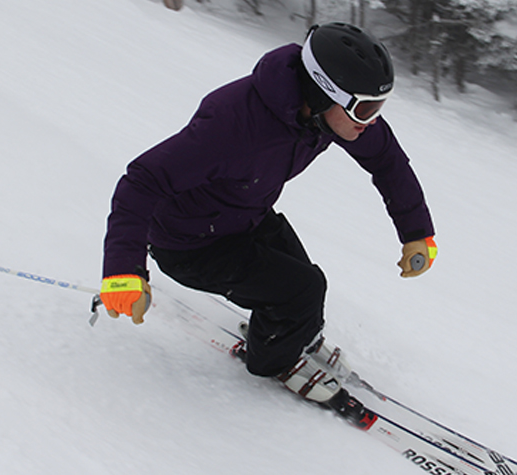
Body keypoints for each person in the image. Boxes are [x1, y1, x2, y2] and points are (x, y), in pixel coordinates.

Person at [99, 22, 436, 407]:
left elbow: (387, 160)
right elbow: (143, 181)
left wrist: (416, 231)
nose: (372, 120)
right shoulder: (233, 124)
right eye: (366, 108)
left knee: (301, 276)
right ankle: (275, 361)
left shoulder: (329, 117)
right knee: (302, 290)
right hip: (189, 243)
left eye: (380, 106)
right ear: (325, 94)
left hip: (246, 216)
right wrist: (123, 269)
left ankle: (296, 333)